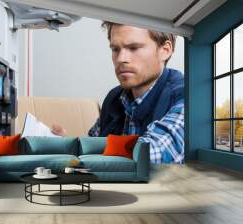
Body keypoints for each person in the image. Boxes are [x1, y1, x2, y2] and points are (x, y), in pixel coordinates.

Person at [52, 22, 184, 164]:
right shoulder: (114, 98)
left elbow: (153, 152)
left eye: (134, 48)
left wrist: (84, 149)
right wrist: (68, 146)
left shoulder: (185, 96)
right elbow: (92, 144)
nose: (121, 58)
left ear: (165, 50)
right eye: (115, 49)